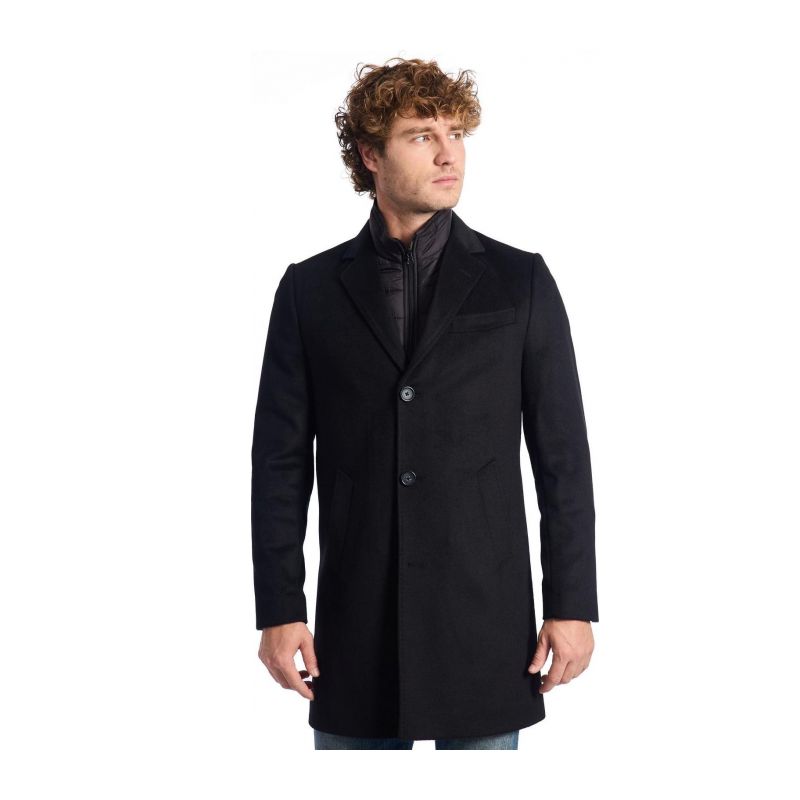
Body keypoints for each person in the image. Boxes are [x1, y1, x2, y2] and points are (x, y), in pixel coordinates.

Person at [251, 57, 598, 751]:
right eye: (421, 135)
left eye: (456, 133)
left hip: (486, 620)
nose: (448, 154)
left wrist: (572, 603)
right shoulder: (308, 292)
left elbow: (562, 456)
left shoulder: (520, 281)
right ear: (370, 155)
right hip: (357, 623)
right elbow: (279, 463)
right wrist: (280, 608)